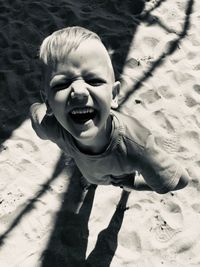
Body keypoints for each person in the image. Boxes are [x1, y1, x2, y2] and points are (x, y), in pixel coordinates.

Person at [30, 26, 189, 194]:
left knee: (112, 179)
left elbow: (181, 180)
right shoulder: (51, 127)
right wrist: (41, 108)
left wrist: (132, 184)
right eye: (61, 84)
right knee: (92, 177)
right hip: (90, 171)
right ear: (47, 102)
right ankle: (93, 180)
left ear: (114, 95)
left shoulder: (138, 147)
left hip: (121, 176)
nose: (79, 91)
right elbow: (35, 113)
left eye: (94, 80)